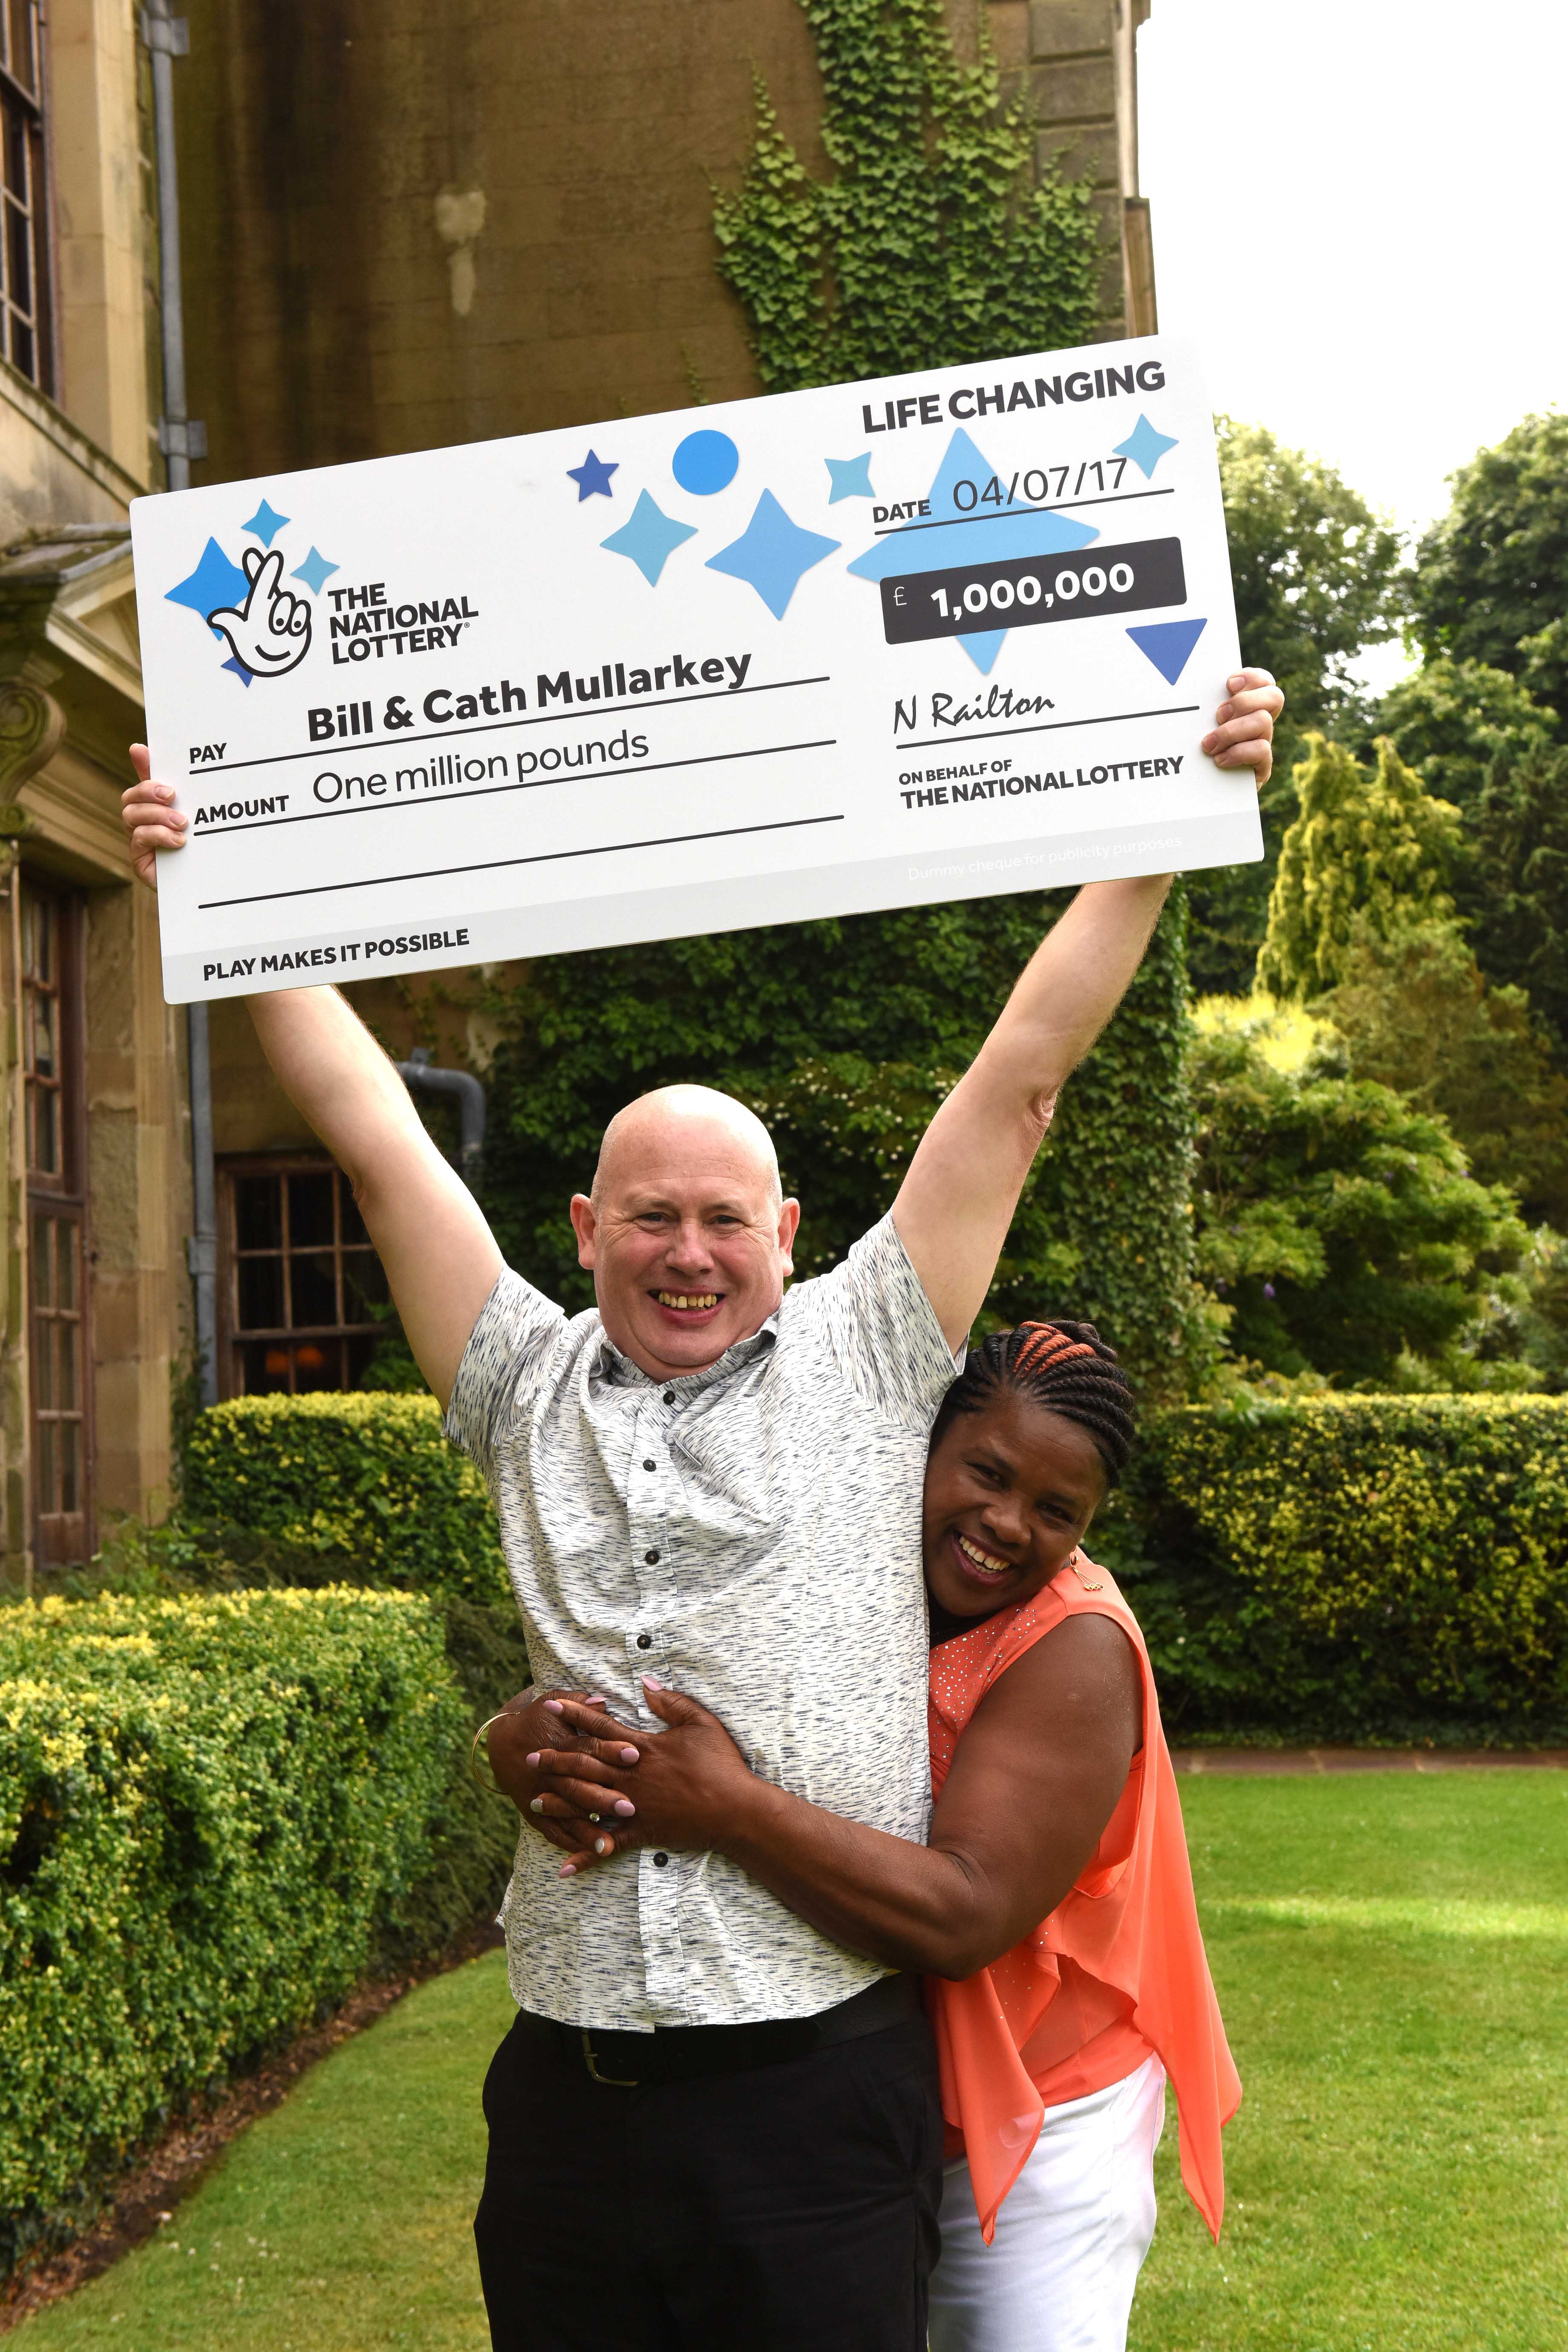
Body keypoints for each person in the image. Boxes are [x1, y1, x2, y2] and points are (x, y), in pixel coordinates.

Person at [119, 669, 1277, 2352]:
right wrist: (204, 892)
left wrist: (1162, 832)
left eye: (723, 1220)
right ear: (584, 1225)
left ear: (788, 1234)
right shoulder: (517, 1377)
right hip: (570, 2103)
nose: (685, 1250)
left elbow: (1024, 1072)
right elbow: (372, 1139)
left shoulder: (876, 1357)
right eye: (648, 1215)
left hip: (813, 2105)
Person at [516, 1318, 1238, 2352]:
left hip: (1047, 2110)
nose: (1004, 1523)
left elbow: (964, 1915)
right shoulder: (844, 1562)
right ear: (920, 1444)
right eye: (984, 1472)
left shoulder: (1074, 1646)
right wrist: (514, 1737)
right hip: (867, 2092)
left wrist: (728, 1807)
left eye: (1055, 1511)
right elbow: (644, 1664)